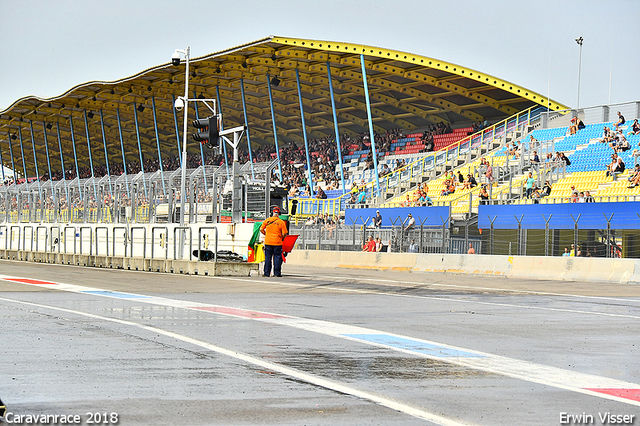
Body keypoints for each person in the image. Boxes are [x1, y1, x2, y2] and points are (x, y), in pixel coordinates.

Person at [260, 206, 288, 277]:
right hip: (277, 242)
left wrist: (266, 234)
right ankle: (277, 273)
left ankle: (266, 273)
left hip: (268, 242)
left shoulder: (267, 220)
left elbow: (261, 229)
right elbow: (285, 233)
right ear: (279, 213)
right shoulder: (281, 222)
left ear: (272, 212)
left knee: (268, 258)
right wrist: (282, 238)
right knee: (277, 258)